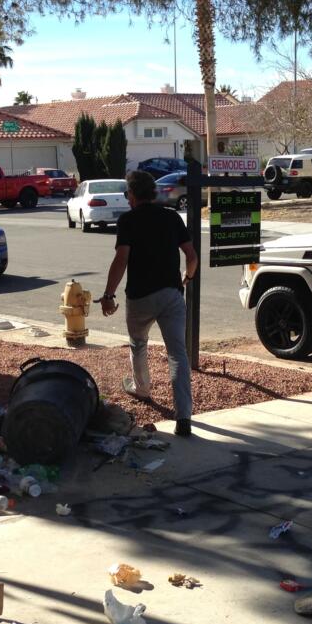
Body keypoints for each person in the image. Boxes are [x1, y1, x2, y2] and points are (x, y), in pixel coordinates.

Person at [98, 170, 198, 436]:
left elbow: (121, 260)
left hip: (139, 297)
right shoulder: (171, 217)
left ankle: (142, 388)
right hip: (171, 294)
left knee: (138, 342)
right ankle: (184, 416)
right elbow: (191, 256)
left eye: (127, 193)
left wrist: (108, 295)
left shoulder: (128, 221)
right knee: (177, 353)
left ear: (132, 194)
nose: (127, 198)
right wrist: (187, 277)